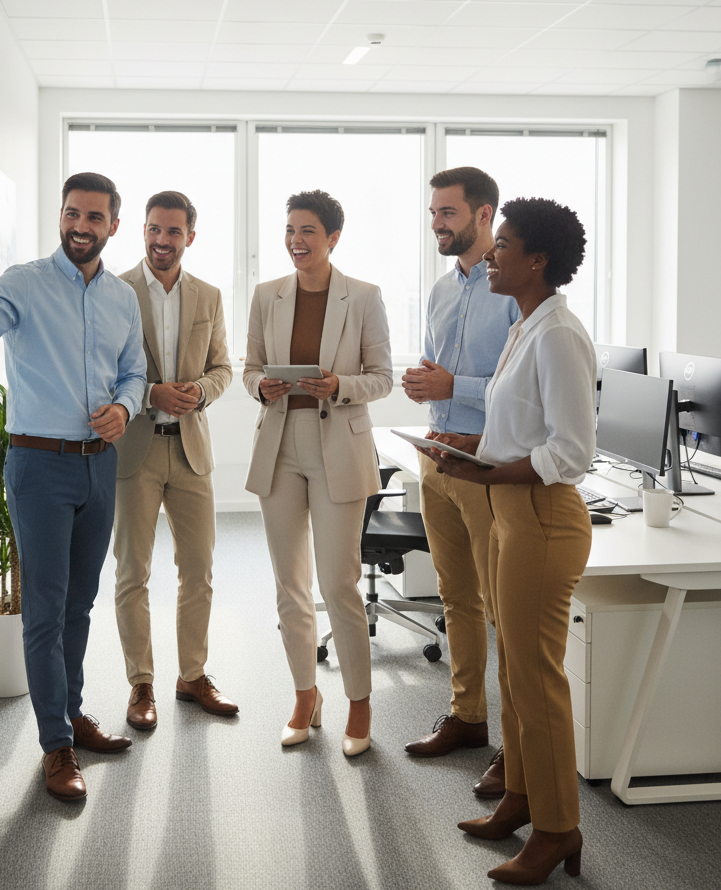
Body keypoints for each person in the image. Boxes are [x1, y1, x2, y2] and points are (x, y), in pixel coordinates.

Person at [0, 172, 147, 803]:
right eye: (72, 214)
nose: (81, 226)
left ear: (112, 224)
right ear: (60, 216)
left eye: (94, 217)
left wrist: (126, 409)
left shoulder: (122, 299)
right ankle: (56, 745)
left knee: (80, 603)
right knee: (44, 611)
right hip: (38, 466)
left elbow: (134, 372)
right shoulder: (24, 281)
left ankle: (72, 715)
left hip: (98, 464)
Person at [419, 198, 595, 885]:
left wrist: (487, 466)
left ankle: (558, 829)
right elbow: (521, 427)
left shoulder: (558, 334)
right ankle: (520, 798)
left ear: (537, 260)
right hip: (510, 508)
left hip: (543, 518)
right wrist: (472, 444)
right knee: (514, 673)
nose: (492, 255)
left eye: (504, 246)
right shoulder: (526, 325)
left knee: (537, 680)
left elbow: (571, 452)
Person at [244, 189, 392, 756]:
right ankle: (305, 696)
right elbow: (249, 368)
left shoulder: (364, 297)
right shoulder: (267, 296)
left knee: (338, 583)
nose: (295, 241)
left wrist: (340, 386)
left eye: (307, 231)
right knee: (290, 585)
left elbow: (381, 376)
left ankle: (359, 702)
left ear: (333, 237)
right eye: (289, 230)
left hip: (340, 446)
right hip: (280, 445)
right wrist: (263, 385)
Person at [401, 167, 519, 797]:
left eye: (447, 212)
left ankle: (514, 746)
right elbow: (434, 367)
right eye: (432, 212)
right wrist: (427, 386)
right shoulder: (443, 291)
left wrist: (455, 388)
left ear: (483, 215)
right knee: (457, 599)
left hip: (486, 465)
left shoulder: (517, 290)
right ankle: (469, 717)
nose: (436, 224)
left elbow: (524, 390)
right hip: (436, 457)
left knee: (504, 610)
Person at [113, 191, 236, 730]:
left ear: (190, 236)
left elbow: (223, 367)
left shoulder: (208, 296)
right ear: (141, 230)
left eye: (173, 232)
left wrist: (201, 392)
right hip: (134, 450)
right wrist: (149, 395)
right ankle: (141, 683)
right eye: (154, 230)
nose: (162, 241)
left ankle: (192, 675)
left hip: (191, 450)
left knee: (199, 572)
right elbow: (100, 372)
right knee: (133, 571)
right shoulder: (114, 291)